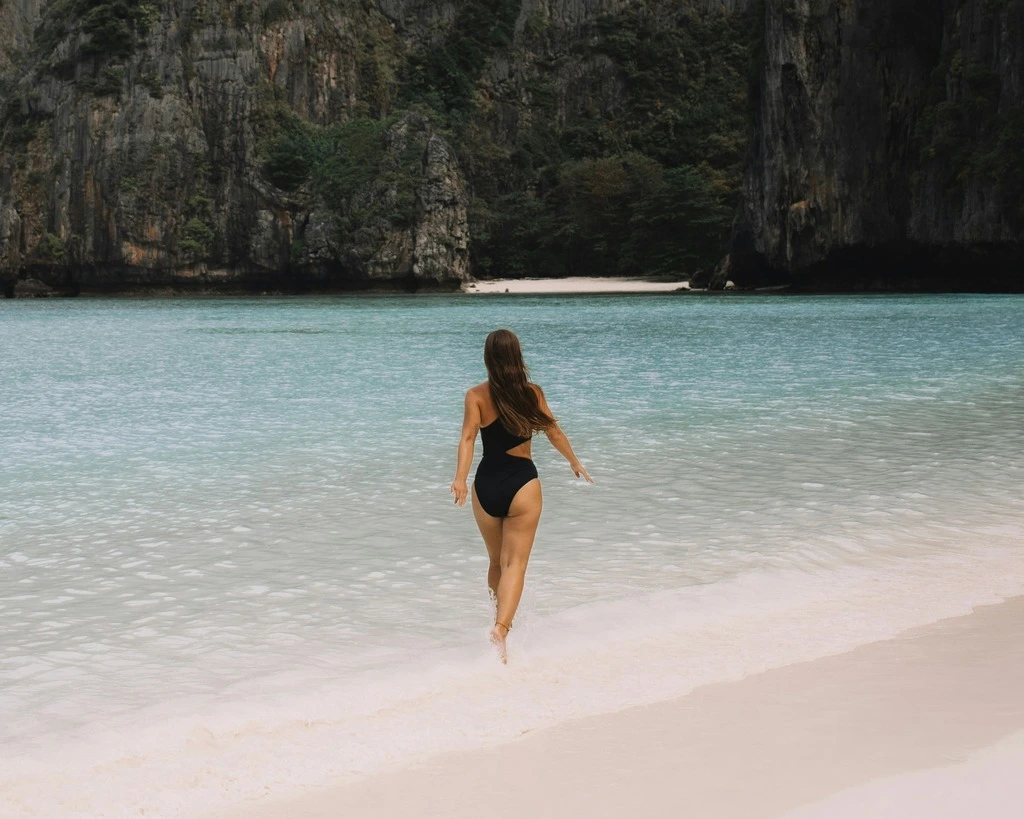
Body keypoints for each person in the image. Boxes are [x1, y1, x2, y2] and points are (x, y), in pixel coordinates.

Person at [450, 329, 593, 662]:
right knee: (515, 563)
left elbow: (468, 439)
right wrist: (574, 462)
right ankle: (501, 629)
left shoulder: (475, 395)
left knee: (496, 561)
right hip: (522, 484)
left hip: (485, 484)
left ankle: (496, 628)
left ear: (487, 358)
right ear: (518, 356)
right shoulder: (532, 393)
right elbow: (553, 431)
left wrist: (459, 479)